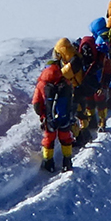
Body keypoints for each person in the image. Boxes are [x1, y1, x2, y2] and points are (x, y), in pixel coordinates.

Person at [35, 40, 81, 171]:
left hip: (49, 117)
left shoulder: (42, 82)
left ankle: (48, 162)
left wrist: (42, 114)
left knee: (49, 138)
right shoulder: (65, 80)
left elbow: (36, 104)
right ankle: (67, 162)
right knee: (65, 137)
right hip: (64, 116)